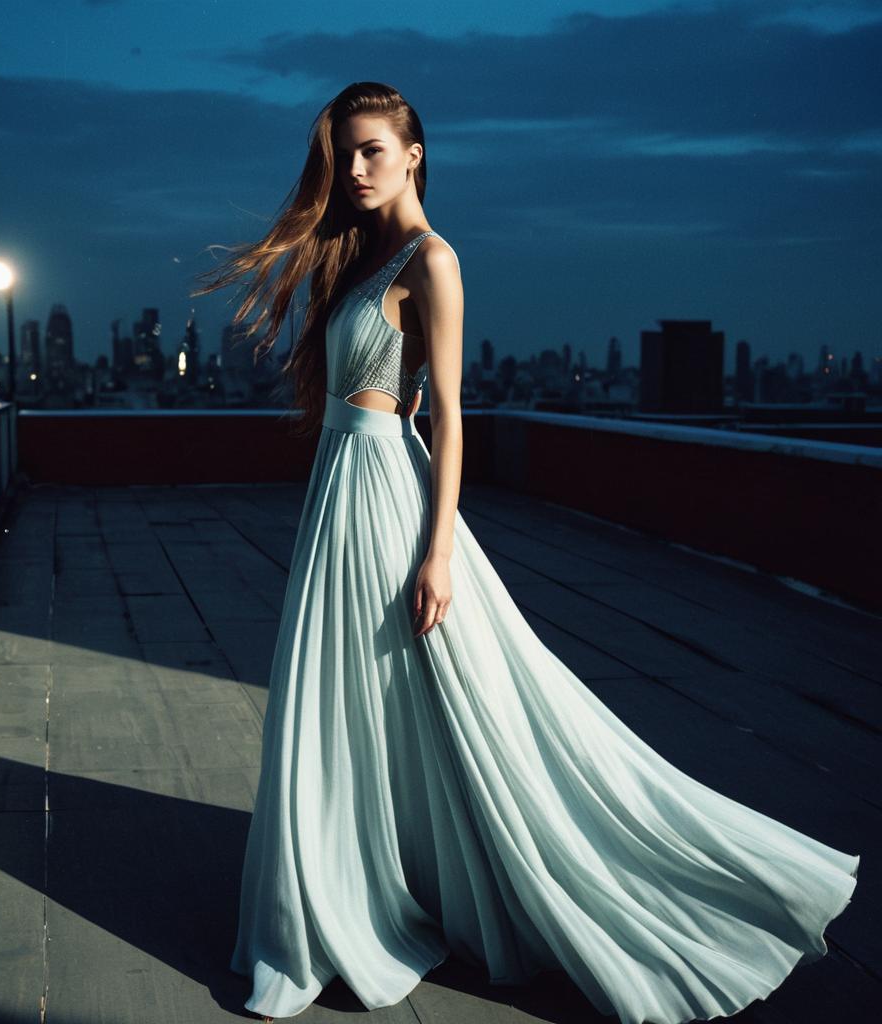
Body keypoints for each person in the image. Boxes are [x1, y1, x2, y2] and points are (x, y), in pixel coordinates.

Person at [190, 82, 859, 1024]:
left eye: (373, 149)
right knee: (346, 695)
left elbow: (453, 417)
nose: (354, 168)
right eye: (345, 153)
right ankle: (362, 880)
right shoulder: (365, 260)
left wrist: (438, 555)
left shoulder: (434, 260)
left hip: (388, 499)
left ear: (414, 152)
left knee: (448, 694)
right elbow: (395, 393)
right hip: (342, 489)